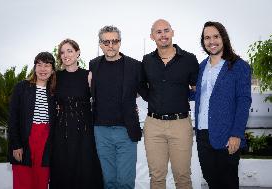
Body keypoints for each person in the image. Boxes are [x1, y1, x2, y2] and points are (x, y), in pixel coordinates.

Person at [141, 19, 199, 189]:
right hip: (153, 125)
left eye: (166, 30)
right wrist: (153, 98)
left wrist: (179, 97)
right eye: (158, 32)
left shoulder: (189, 59)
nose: (163, 35)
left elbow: (196, 88)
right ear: (152, 36)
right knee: (157, 176)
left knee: (182, 176)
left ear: (173, 32)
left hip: (180, 124)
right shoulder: (147, 60)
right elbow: (141, 85)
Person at [195, 21, 252, 189]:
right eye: (207, 38)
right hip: (203, 134)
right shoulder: (201, 67)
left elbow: (244, 101)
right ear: (203, 41)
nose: (211, 41)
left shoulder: (239, 66)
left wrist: (237, 134)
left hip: (227, 135)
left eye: (215, 36)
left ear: (223, 38)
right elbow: (200, 95)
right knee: (211, 180)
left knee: (227, 183)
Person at [89, 25, 145, 189]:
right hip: (101, 131)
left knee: (125, 182)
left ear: (120, 42)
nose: (110, 45)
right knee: (108, 181)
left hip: (126, 130)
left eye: (114, 41)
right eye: (106, 42)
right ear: (100, 44)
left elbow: (146, 90)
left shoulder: (134, 66)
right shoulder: (94, 65)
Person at [49, 39, 103, 189]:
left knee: (86, 170)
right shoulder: (55, 77)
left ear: (78, 53)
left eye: (69, 51)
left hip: (85, 132)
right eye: (62, 52)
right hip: (61, 132)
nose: (65, 55)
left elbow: (102, 100)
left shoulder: (89, 75)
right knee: (63, 170)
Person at [8, 52, 56, 189]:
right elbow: (13, 118)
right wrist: (16, 145)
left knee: (41, 181)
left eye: (47, 65)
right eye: (39, 65)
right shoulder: (21, 87)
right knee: (23, 182)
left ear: (52, 70)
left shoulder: (54, 91)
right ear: (34, 68)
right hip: (25, 139)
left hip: (46, 142)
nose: (43, 69)